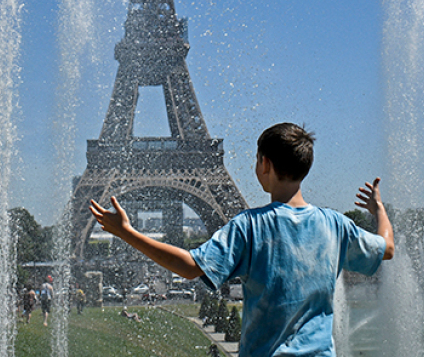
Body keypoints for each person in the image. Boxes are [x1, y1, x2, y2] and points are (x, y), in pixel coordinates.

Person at [91, 123, 394, 357]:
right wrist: (379, 210)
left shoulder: (250, 226)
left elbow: (189, 266)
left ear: (265, 164)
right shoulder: (335, 225)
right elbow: (387, 248)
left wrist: (127, 233)